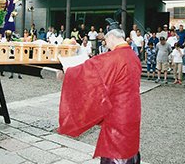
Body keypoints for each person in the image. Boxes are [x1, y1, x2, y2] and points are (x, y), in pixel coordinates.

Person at [58, 19, 142, 164]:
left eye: (106, 40)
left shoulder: (115, 57)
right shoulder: (134, 56)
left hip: (118, 112)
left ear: (111, 37)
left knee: (116, 146)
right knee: (130, 143)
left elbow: (91, 70)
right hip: (133, 109)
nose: (106, 43)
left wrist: (70, 71)